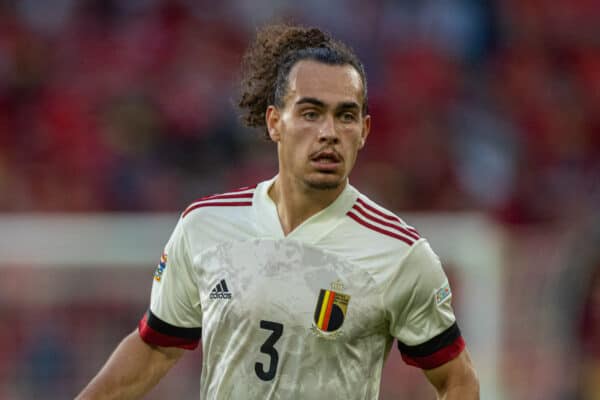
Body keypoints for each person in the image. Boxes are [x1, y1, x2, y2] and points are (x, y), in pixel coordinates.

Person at [76, 24, 479, 399]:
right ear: (275, 123)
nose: (328, 133)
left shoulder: (400, 254)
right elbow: (156, 346)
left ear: (364, 131)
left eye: (346, 116)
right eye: (310, 113)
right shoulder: (205, 226)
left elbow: (456, 379)